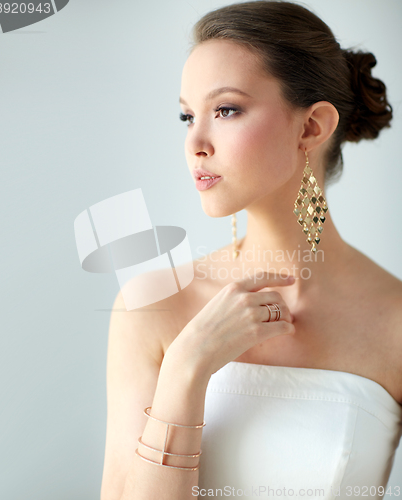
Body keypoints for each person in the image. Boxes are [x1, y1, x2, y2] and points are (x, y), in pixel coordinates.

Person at [100, 2, 402, 499]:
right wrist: (187, 366)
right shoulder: (151, 304)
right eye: (187, 115)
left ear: (312, 127)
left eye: (226, 110)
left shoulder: (394, 322)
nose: (195, 141)